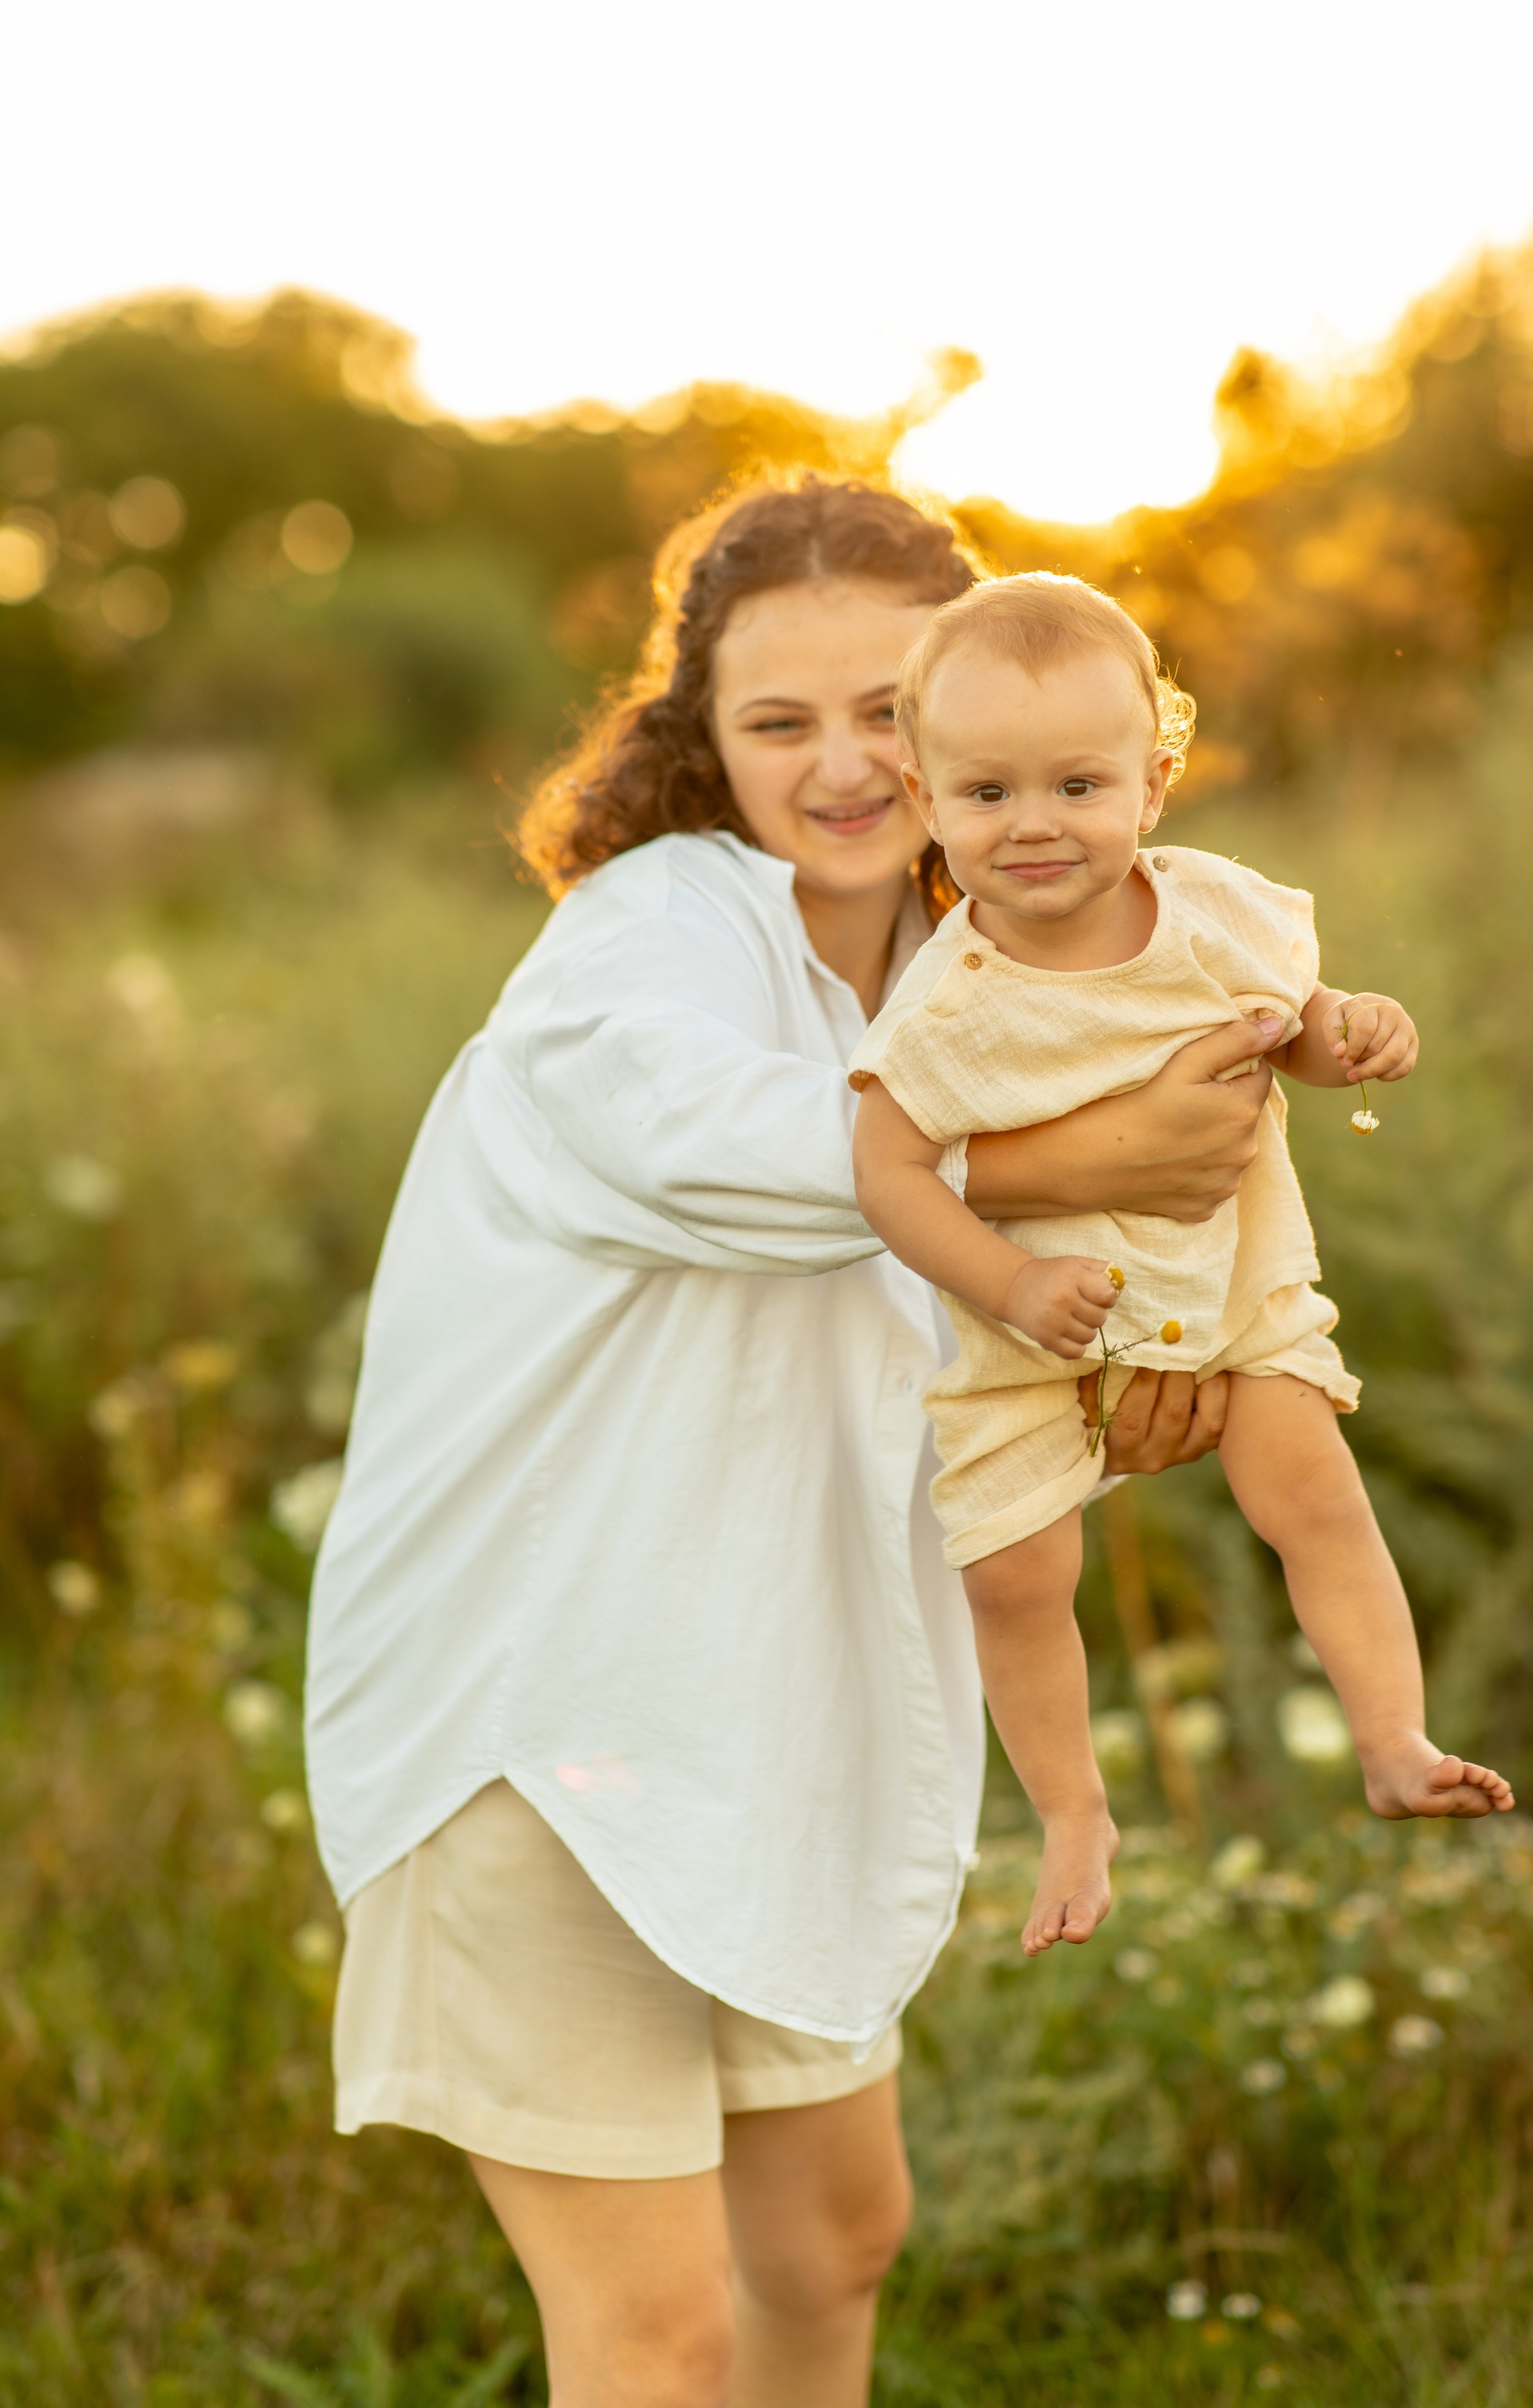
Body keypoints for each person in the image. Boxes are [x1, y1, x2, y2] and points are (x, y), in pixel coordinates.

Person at [304, 478, 1287, 2408]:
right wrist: (1070, 1163)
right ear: (700, 738)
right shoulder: (639, 939)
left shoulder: (973, 968)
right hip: (545, 1724)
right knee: (657, 2340)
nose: (844, 765)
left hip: (770, 1714)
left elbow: (1057, 1275)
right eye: (779, 722)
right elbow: (718, 1146)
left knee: (834, 2240)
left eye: (886, 712)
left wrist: (1161, 1363)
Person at [851, 572, 1515, 1962]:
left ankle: (1390, 1737)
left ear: (1153, 783)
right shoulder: (947, 1007)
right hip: (1030, 1339)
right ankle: (1072, 1811)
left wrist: (1350, 1033)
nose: (1032, 825)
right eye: (985, 796)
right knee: (1013, 1578)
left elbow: (1291, 1026)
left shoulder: (1214, 916)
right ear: (922, 797)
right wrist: (1010, 1283)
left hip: (1227, 1291)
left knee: (1314, 1497)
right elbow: (885, 1173)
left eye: (1077, 785)